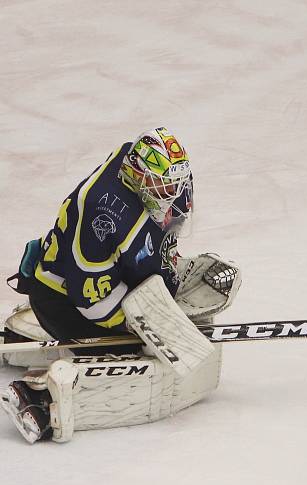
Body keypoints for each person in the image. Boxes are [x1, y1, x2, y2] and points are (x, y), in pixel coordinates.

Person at [1, 127, 241, 443]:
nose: (169, 191)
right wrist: (141, 325)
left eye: (174, 184)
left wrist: (166, 268)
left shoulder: (137, 172)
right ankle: (41, 399)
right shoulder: (104, 216)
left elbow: (152, 229)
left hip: (94, 278)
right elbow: (92, 300)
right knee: (134, 351)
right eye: (162, 184)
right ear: (138, 176)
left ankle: (27, 336)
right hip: (64, 300)